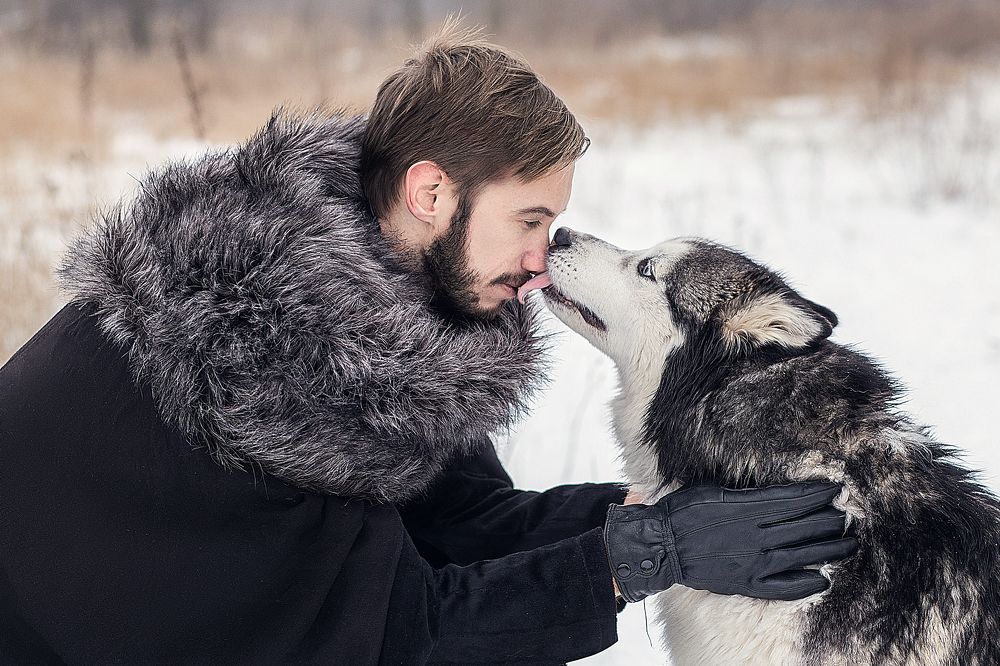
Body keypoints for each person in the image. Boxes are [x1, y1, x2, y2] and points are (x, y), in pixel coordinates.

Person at [0, 25, 856, 665]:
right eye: (531, 220)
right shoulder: (255, 362)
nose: (542, 259)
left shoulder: (375, 313)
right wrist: (652, 556)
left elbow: (456, 523)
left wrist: (648, 513)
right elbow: (405, 633)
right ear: (431, 191)